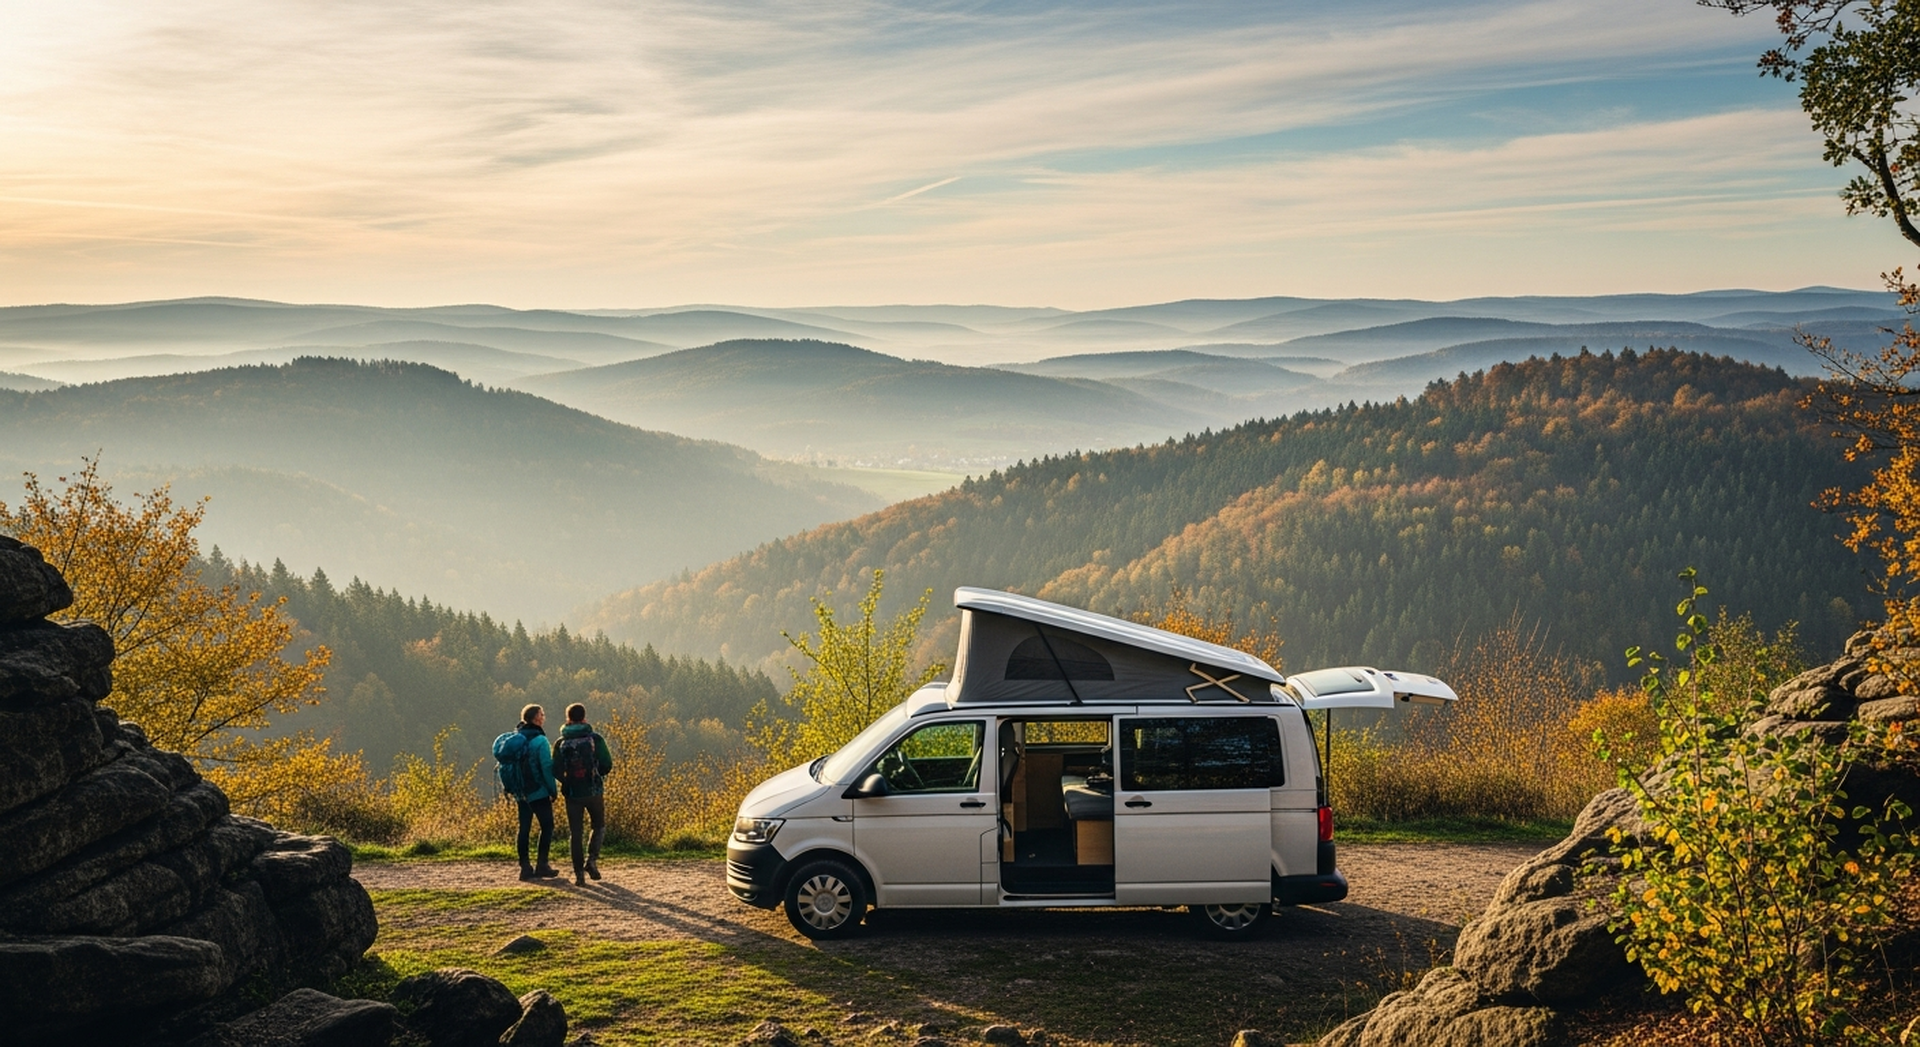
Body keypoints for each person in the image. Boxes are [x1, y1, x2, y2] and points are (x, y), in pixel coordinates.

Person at [554, 702, 614, 885]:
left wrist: (567, 781)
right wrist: (596, 776)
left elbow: (555, 769)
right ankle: (592, 860)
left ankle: (579, 874)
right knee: (599, 825)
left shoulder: (560, 742)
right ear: (584, 717)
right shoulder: (595, 739)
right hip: (594, 790)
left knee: (576, 833)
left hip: (572, 793)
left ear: (568, 719)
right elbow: (607, 764)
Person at [512, 703, 560, 881]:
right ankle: (542, 865)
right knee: (547, 826)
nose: (544, 717)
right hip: (538, 791)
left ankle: (525, 867)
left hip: (521, 791)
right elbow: (547, 767)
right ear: (536, 718)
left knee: (524, 828)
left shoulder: (517, 738)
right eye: (542, 714)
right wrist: (552, 790)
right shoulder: (540, 741)